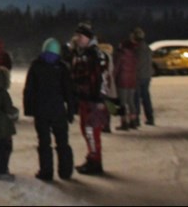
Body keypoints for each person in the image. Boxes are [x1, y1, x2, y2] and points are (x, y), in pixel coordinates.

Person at [23, 37, 75, 181]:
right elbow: (69, 91)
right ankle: (65, 171)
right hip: (58, 109)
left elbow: (29, 90)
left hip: (41, 110)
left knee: (44, 142)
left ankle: (46, 172)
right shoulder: (62, 67)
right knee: (63, 141)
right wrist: (71, 110)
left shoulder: (36, 65)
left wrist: (29, 109)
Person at [70, 21, 109, 175]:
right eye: (77, 35)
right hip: (84, 99)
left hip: (93, 100)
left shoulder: (96, 54)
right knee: (86, 130)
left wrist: (99, 98)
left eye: (80, 35)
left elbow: (103, 77)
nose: (78, 38)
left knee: (91, 131)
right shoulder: (81, 53)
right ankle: (92, 157)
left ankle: (96, 161)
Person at [113, 33, 139, 130]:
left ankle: (124, 122)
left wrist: (113, 78)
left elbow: (116, 68)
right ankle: (133, 121)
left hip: (122, 80)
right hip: (132, 81)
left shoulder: (121, 55)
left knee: (122, 103)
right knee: (131, 101)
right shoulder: (134, 55)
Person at [132, 27, 155, 126]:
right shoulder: (147, 48)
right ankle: (150, 117)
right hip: (147, 75)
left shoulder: (136, 49)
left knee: (136, 98)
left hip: (138, 76)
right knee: (146, 97)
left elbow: (135, 63)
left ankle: (136, 119)